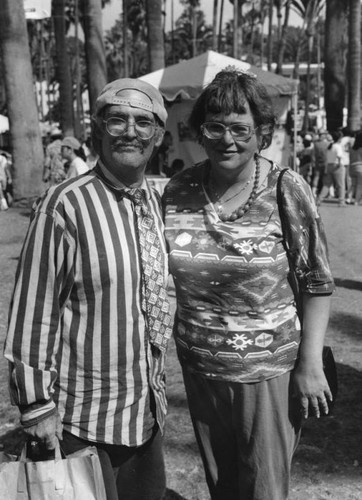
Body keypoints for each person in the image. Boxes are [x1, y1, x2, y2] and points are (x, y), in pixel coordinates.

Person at [162, 69, 334, 500]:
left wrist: (310, 364)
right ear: (199, 132)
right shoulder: (177, 190)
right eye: (214, 127)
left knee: (263, 488)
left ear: (262, 133)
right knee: (222, 486)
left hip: (266, 372)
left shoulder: (285, 188)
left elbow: (316, 280)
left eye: (240, 128)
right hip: (200, 367)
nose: (227, 139)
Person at [4, 78, 173, 500]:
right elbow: (34, 309)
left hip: (144, 412)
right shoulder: (64, 205)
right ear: (97, 129)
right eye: (117, 120)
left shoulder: (157, 201)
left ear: (159, 136)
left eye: (143, 122)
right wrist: (37, 407)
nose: (130, 131)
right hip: (81, 422)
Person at [317, 130, 346, 207]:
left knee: (326, 184)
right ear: (339, 138)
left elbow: (327, 157)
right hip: (337, 166)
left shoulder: (330, 146)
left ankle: (319, 199)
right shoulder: (338, 146)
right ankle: (341, 201)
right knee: (340, 185)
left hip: (329, 165)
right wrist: (340, 164)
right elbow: (339, 156)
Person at [312, 130, 330, 197]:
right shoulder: (327, 143)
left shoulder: (315, 143)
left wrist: (313, 162)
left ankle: (314, 192)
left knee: (317, 177)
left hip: (317, 162)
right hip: (326, 163)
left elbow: (313, 154)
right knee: (325, 178)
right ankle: (327, 193)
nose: (324, 136)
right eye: (324, 134)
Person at [349, 130, 362, 205]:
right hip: (360, 167)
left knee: (353, 185)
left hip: (352, 167)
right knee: (360, 185)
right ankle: (356, 201)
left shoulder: (352, 149)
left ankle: (349, 198)